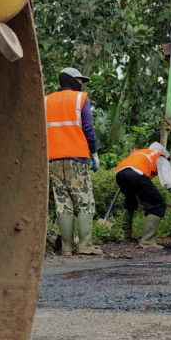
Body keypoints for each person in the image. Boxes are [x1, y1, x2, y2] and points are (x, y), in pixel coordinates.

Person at [45, 67, 102, 256]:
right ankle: (85, 245)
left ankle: (67, 248)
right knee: (85, 201)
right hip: (76, 158)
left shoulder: (46, 100)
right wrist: (94, 154)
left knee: (63, 203)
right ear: (70, 80)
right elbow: (88, 128)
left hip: (54, 159)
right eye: (79, 80)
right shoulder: (81, 98)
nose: (81, 84)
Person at [115, 142, 171, 249]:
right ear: (165, 155)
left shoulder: (141, 152)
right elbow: (169, 181)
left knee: (131, 201)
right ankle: (147, 241)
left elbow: (130, 169)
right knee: (158, 204)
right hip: (136, 173)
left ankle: (126, 236)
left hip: (120, 173)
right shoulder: (161, 157)